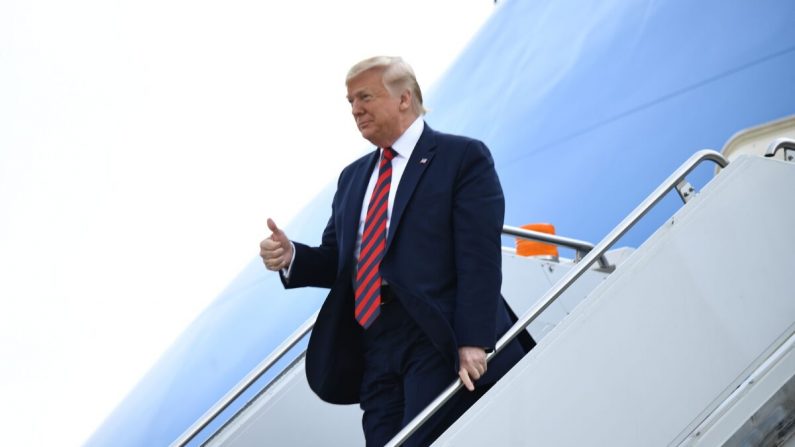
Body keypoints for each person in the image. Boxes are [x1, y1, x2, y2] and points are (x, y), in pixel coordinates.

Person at [260, 56, 532, 446]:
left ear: (404, 98)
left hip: (436, 333)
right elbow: (340, 262)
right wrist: (292, 257)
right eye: (350, 101)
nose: (355, 110)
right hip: (374, 341)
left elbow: (479, 257)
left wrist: (475, 339)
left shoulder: (461, 158)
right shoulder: (353, 178)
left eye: (365, 97)